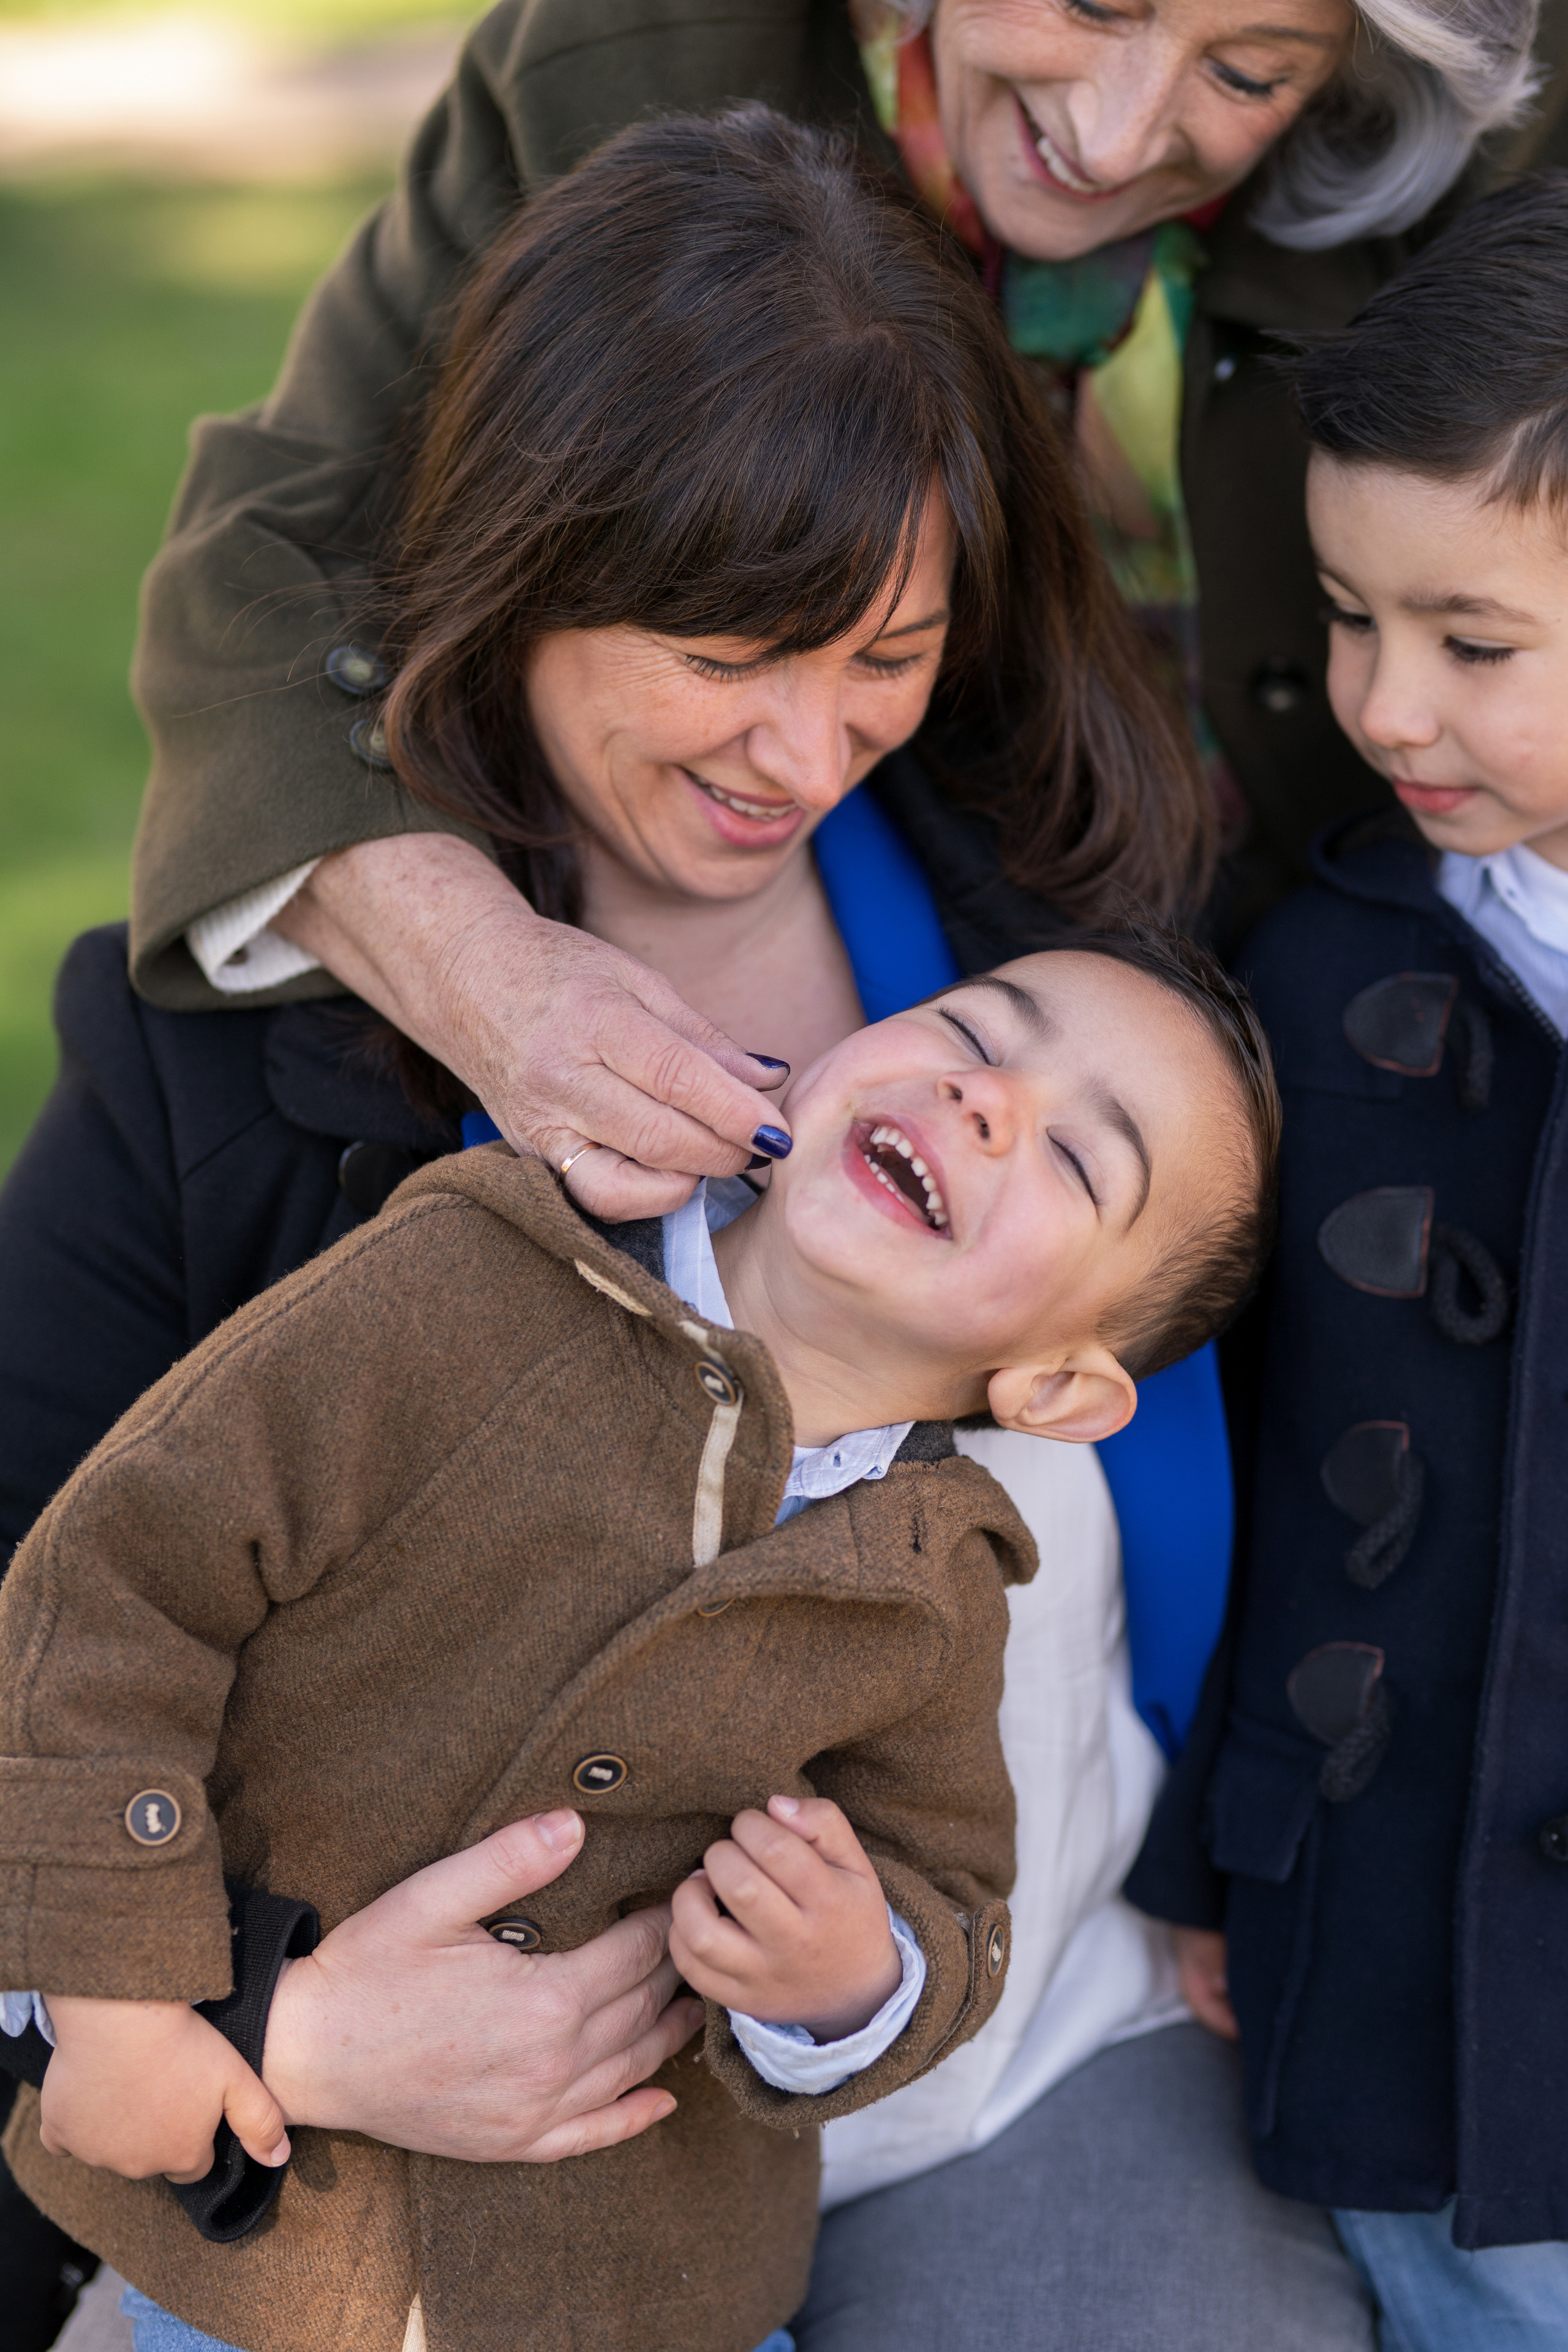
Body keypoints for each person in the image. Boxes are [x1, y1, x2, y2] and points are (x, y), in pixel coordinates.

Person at [0, 106, 1368, 2352]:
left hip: (1002, 2065)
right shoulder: (231, 1066)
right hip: (429, 2133)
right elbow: (58, 1624)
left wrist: (1234, 1873)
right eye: (729, 646)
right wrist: (285, 2025)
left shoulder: (1065, 926)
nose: (806, 747)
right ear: (534, 553)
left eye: (884, 654)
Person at [0, 931, 1280, 2352]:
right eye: (974, 1031)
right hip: (269, 2262)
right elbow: (113, 1589)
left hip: (652, 2295)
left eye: (1077, 1161)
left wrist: (854, 1975)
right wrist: (114, 1998)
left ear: (1054, 1384)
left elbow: (951, 1887)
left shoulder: (934, 1580)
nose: (986, 1100)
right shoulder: (460, 1276)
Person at [1127, 173, 1568, 2347]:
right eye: (1345, 616)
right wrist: (1214, 1856)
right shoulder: (1313, 980)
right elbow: (1239, 1460)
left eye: (1473, 644)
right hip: (1383, 1966)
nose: (1386, 705)